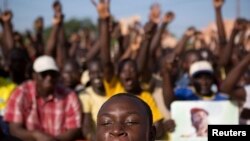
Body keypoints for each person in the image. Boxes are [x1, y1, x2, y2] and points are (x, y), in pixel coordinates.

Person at [4, 55, 82, 141]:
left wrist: (52, 140)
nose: (49, 78)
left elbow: (74, 129)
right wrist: (37, 136)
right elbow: (14, 130)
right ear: (34, 76)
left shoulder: (69, 96)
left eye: (52, 74)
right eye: (44, 74)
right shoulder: (21, 92)